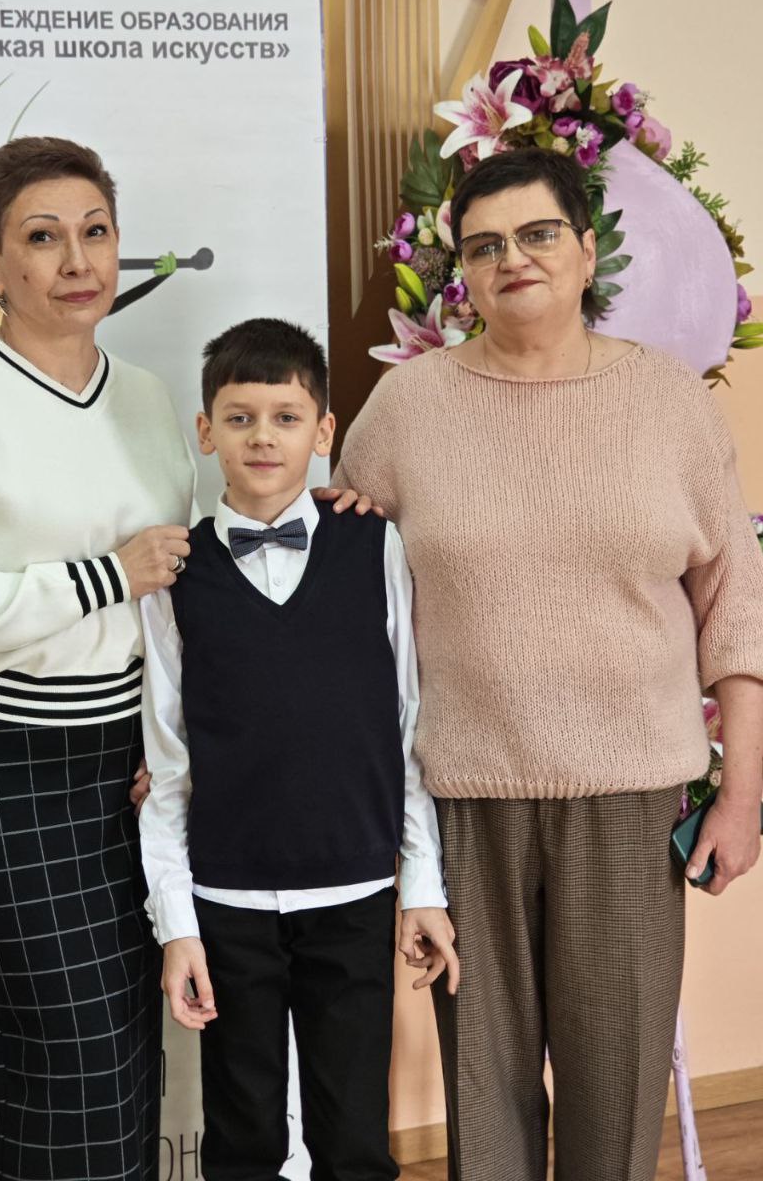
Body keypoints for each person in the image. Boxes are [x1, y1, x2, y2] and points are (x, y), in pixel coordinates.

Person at [332, 148, 763, 1181]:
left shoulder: (669, 402)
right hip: (462, 802)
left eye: (535, 235)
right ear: (463, 274)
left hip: (630, 805)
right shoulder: (406, 409)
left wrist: (744, 796)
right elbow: (338, 598)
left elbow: (737, 612)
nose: (511, 259)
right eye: (483, 246)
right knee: (483, 1098)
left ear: (586, 250)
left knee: (617, 1096)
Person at [0, 136, 198, 1181]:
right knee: (63, 1049)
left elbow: (175, 587)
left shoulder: (147, 396)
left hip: (127, 755)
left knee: (127, 1040)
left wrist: (170, 737)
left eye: (95, 232)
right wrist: (103, 575)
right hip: (0, 751)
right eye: (43, 237)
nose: (77, 260)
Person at [137, 318, 458, 1181]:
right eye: (239, 418)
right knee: (243, 1138)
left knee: (354, 1137)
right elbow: (167, 763)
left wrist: (422, 884)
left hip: (354, 887)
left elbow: (407, 724)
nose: (263, 437)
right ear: (206, 431)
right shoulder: (176, 574)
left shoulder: (373, 544)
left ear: (324, 432)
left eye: (286, 417)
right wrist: (177, 925)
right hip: (226, 897)